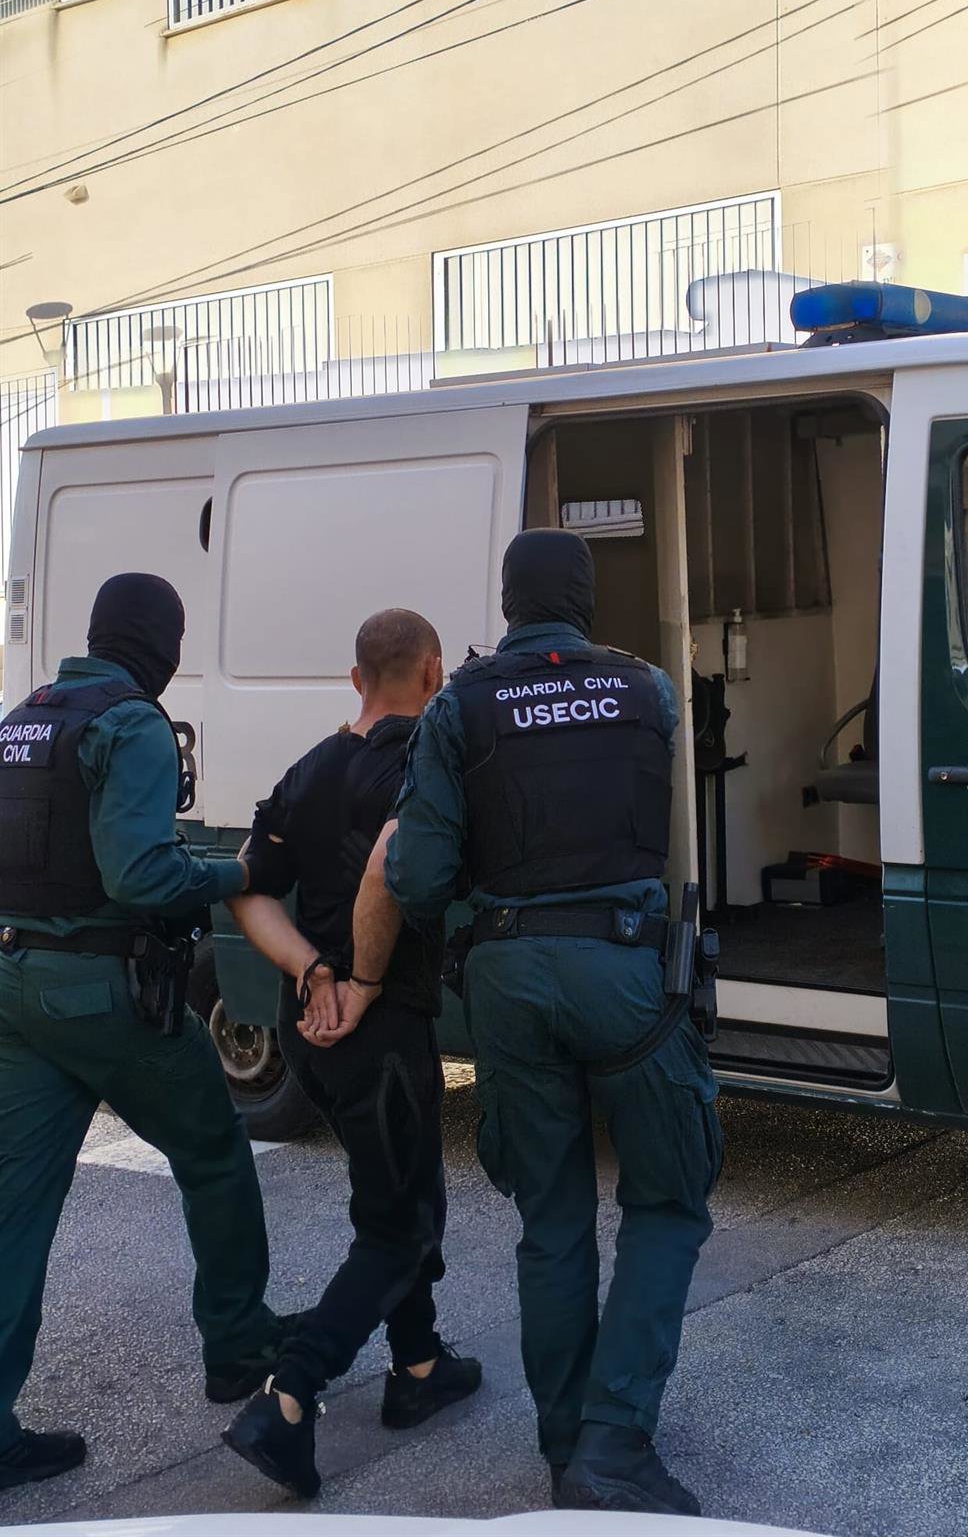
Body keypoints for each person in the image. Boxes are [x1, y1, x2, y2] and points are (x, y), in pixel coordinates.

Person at [345, 531, 723, 1516]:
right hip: (630, 972)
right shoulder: (648, 690)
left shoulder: (460, 705)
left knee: (552, 1220)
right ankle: (615, 1440)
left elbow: (418, 875)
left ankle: (566, 1453)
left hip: (509, 977)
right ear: (586, 599)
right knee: (668, 1201)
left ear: (509, 603)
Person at [0, 573, 284, 1492]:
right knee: (213, 1150)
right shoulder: (133, 725)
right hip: (101, 990)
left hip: (14, 981)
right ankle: (239, 1345)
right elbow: (140, 877)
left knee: (15, 1207)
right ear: (160, 644)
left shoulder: (25, 719)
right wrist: (236, 871)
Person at [220, 608, 481, 1499]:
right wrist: (358, 981)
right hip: (379, 1027)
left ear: (355, 678)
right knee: (398, 1226)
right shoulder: (425, 763)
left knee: (401, 1190)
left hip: (310, 1031)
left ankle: (419, 1366)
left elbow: (248, 889)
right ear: (433, 672)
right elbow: (389, 870)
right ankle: (287, 1399)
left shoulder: (312, 765)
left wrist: (310, 971)